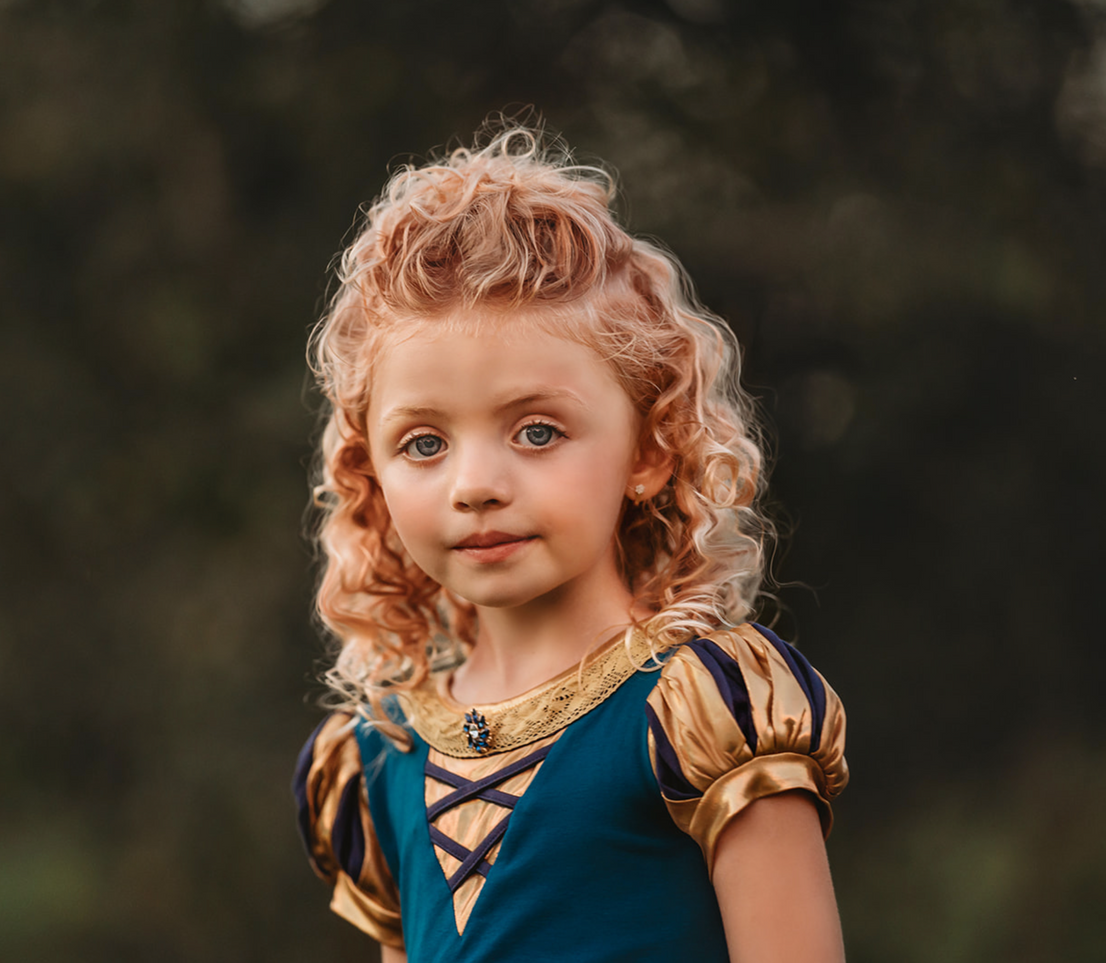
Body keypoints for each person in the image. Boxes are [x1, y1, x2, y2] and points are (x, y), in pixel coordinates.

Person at [293, 122, 848, 963]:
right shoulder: (379, 757)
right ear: (368, 472)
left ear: (650, 447)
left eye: (538, 431)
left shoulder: (705, 711)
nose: (474, 482)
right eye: (424, 444)